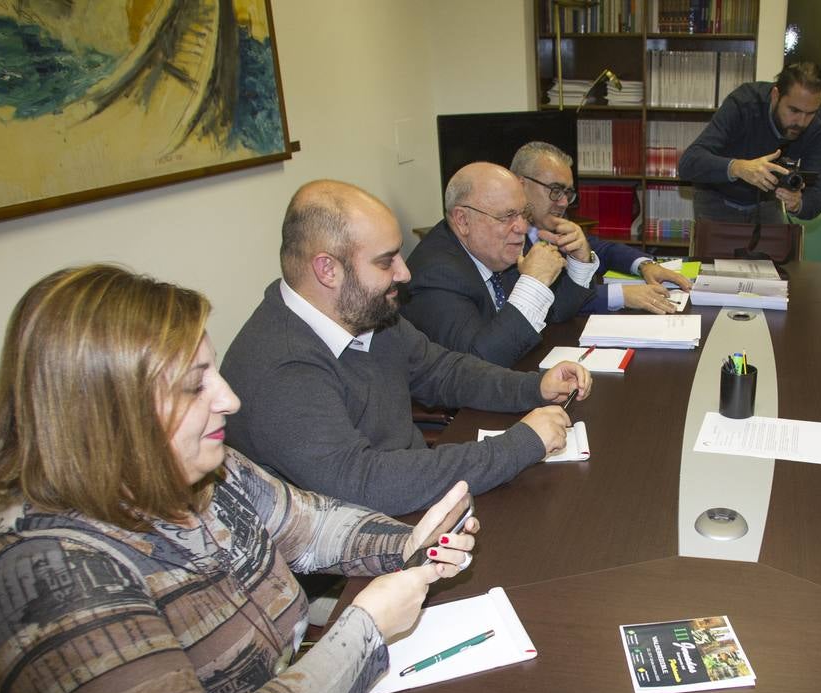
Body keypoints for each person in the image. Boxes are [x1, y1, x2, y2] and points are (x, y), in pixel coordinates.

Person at [0, 265, 478, 693]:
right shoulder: (47, 574)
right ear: (102, 410)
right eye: (193, 385)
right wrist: (362, 630)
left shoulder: (199, 469)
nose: (229, 399)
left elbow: (313, 526)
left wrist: (408, 544)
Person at [221, 180, 591, 517]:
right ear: (327, 270)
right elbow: (365, 485)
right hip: (355, 550)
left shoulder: (366, 312)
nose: (404, 272)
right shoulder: (283, 367)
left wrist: (533, 387)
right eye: (386, 261)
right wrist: (520, 445)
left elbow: (442, 370)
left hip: (412, 500)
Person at [403, 162, 595, 366]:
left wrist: (579, 260)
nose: (522, 227)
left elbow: (556, 312)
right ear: (463, 220)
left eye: (524, 214)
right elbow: (476, 364)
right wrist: (533, 284)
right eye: (507, 216)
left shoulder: (493, 249)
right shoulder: (436, 274)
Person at [510, 140, 693, 315]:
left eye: (568, 193)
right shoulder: (503, 240)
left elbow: (603, 250)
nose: (564, 202)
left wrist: (645, 265)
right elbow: (545, 304)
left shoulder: (551, 223)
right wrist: (621, 294)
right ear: (520, 184)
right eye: (555, 190)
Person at [679, 61, 821, 224]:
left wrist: (798, 203)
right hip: (716, 199)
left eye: (810, 114)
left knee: (776, 248)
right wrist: (738, 168)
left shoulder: (819, 123)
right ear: (775, 96)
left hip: (768, 203)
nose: (801, 122)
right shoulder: (744, 102)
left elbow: (817, 193)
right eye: (794, 110)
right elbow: (688, 163)